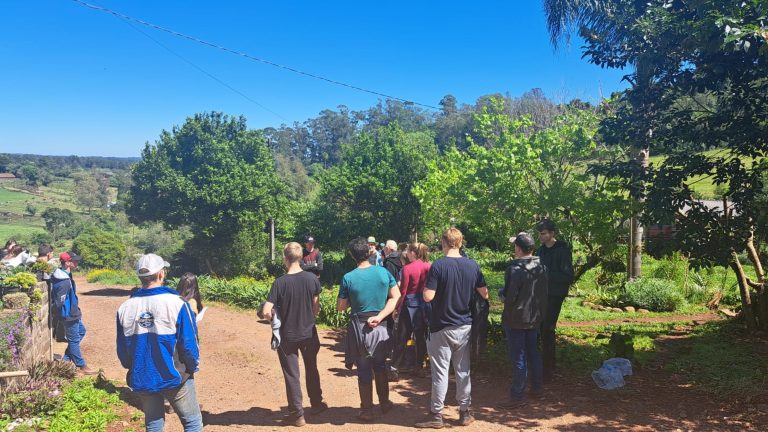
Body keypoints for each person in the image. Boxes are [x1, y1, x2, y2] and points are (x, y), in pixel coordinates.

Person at [117, 254, 202, 432]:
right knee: (192, 422)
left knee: (153, 423)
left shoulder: (125, 308)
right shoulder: (178, 303)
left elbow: (123, 351)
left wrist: (134, 367)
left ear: (140, 277)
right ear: (161, 274)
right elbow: (189, 345)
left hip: (142, 375)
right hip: (174, 376)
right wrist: (192, 367)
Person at [415, 228, 488, 429]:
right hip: (464, 325)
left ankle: (436, 414)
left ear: (444, 243)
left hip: (441, 326)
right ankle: (465, 412)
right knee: (463, 371)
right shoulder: (472, 265)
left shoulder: (439, 265)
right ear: (461, 243)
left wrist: (425, 289)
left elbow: (428, 296)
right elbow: (484, 293)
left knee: (440, 373)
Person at [261, 242, 327, 427]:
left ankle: (297, 414)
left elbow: (266, 311)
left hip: (287, 335)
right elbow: (316, 307)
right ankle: (316, 404)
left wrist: (273, 318)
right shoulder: (312, 279)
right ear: (301, 257)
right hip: (309, 332)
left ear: (285, 259)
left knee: (292, 374)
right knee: (311, 367)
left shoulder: (280, 282)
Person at [337, 237, 400, 422]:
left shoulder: (348, 277)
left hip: (360, 328)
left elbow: (341, 306)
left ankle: (367, 410)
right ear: (369, 252)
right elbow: (396, 296)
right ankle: (385, 403)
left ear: (352, 255)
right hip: (381, 327)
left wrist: (353, 299)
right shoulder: (383, 273)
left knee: (363, 368)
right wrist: (380, 316)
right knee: (380, 365)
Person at [497, 233, 548, 408]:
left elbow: (510, 297)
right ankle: (537, 388)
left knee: (518, 356)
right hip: (534, 317)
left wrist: (501, 294)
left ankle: (517, 395)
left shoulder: (514, 269)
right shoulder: (542, 267)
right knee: (533, 353)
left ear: (518, 249)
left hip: (516, 319)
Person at [536, 219, 574, 382]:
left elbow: (568, 276)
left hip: (555, 295)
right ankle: (543, 365)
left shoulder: (562, 251)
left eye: (543, 233)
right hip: (541, 294)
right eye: (539, 234)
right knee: (540, 328)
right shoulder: (541, 251)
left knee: (548, 329)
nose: (541, 236)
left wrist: (546, 274)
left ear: (552, 233)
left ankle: (548, 368)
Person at [51, 252, 97, 375]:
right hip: (69, 315)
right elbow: (59, 302)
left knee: (81, 331)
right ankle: (81, 365)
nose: (77, 262)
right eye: (75, 260)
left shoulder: (65, 275)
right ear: (67, 263)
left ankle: (66, 360)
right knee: (74, 340)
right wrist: (57, 314)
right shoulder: (64, 281)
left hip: (72, 312)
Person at [391, 242, 430, 374]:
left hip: (409, 306)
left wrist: (397, 308)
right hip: (423, 306)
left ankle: (394, 367)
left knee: (402, 337)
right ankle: (420, 366)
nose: (406, 253)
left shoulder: (407, 269)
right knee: (421, 338)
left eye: (408, 251)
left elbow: (403, 292)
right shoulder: (428, 266)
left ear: (413, 252)